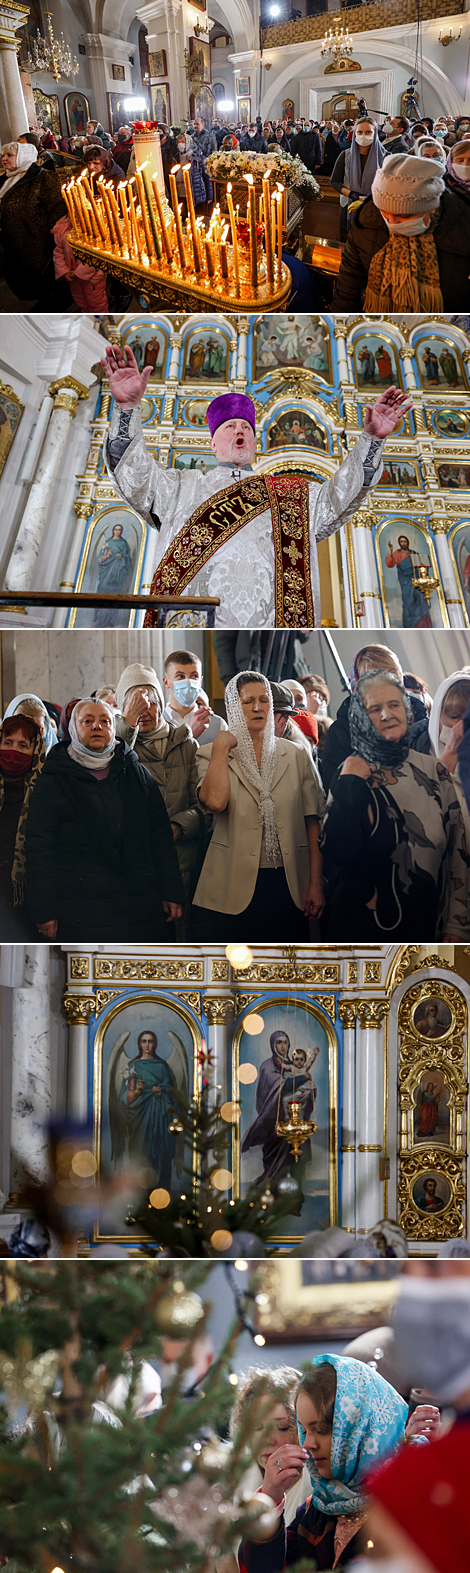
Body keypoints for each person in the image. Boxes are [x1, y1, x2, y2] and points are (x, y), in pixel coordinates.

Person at [103, 355, 410, 630]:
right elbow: (134, 474)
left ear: (253, 442)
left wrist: (371, 440)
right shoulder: (181, 486)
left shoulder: (290, 495)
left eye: (246, 428)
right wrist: (127, 408)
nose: (239, 431)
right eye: (230, 426)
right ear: (212, 443)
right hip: (194, 623)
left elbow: (340, 496)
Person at [320, 669, 469, 940]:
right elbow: (336, 851)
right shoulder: (350, 770)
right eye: (375, 709)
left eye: (393, 705)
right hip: (360, 933)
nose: (387, 714)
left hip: (429, 930)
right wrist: (350, 783)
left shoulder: (436, 772)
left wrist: (457, 925)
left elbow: (459, 856)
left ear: (407, 710)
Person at [25, 698, 183, 941]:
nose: (97, 727)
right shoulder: (54, 779)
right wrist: (45, 911)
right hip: (79, 909)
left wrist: (171, 891)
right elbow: (40, 850)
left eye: (105, 721)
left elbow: (160, 837)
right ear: (73, 729)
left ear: (113, 728)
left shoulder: (135, 772)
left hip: (137, 904)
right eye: (87, 721)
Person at [239, 1355, 408, 1572]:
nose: (308, 1443)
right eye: (303, 1429)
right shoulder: (318, 1507)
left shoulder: (404, 1503)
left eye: (321, 1430)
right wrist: (269, 1499)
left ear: (360, 1428)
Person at [193, 671, 325, 941]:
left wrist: (315, 883)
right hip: (231, 884)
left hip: (289, 883)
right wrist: (220, 749)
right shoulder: (210, 753)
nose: (257, 707)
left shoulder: (297, 754)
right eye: (247, 701)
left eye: (264, 700)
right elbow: (215, 802)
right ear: (231, 708)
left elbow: (313, 822)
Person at [114, 662, 204, 931]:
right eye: (136, 704)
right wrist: (127, 726)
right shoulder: (119, 746)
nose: (146, 711)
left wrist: (179, 826)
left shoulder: (185, 743)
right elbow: (111, 778)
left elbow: (202, 805)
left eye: (151, 702)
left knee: (180, 935)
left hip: (181, 860)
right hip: (134, 864)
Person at [333, 152, 470, 311]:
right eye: (385, 213)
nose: (392, 223)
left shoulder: (461, 232)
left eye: (404, 216)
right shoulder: (368, 222)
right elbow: (349, 280)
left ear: (431, 209)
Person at [219, 1367, 312, 1573]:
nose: (268, 1440)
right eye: (257, 1428)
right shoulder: (228, 1480)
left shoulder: (317, 1487)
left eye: (282, 1427)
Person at [321, 643, 426, 791]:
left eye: (392, 673)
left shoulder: (422, 719)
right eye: (375, 677)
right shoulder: (342, 731)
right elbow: (336, 791)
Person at [0, 139, 66, 302]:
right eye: (3, 155)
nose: (4, 159)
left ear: (24, 156)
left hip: (37, 243)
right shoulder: (5, 179)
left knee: (45, 285)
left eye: (9, 155)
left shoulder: (44, 178)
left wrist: (51, 239)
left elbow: (58, 210)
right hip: (12, 242)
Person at [0, 715, 45, 940]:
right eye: (8, 743)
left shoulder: (43, 792)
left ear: (34, 751)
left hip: (25, 902)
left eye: (23, 745)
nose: (13, 751)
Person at [428, 671, 470, 862]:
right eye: (455, 717)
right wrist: (451, 752)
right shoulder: (422, 759)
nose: (462, 727)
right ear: (437, 717)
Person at [331, 116, 384, 240]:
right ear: (354, 134)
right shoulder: (345, 155)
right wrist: (351, 194)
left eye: (368, 132)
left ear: (375, 134)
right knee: (347, 237)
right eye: (359, 132)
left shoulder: (386, 156)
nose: (363, 135)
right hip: (349, 203)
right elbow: (334, 181)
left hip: (376, 205)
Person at [162, 649, 227, 744]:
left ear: (200, 682)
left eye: (194, 676)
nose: (188, 682)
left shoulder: (218, 724)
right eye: (180, 676)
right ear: (166, 682)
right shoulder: (156, 723)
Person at [385, 535, 432, 627]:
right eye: (401, 541)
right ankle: (410, 624)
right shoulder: (396, 553)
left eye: (405, 541)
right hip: (405, 581)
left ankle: (422, 624)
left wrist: (424, 566)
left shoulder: (414, 553)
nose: (403, 543)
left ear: (408, 542)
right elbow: (389, 564)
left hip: (416, 581)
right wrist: (390, 550)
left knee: (420, 601)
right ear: (399, 543)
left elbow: (421, 566)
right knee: (408, 602)